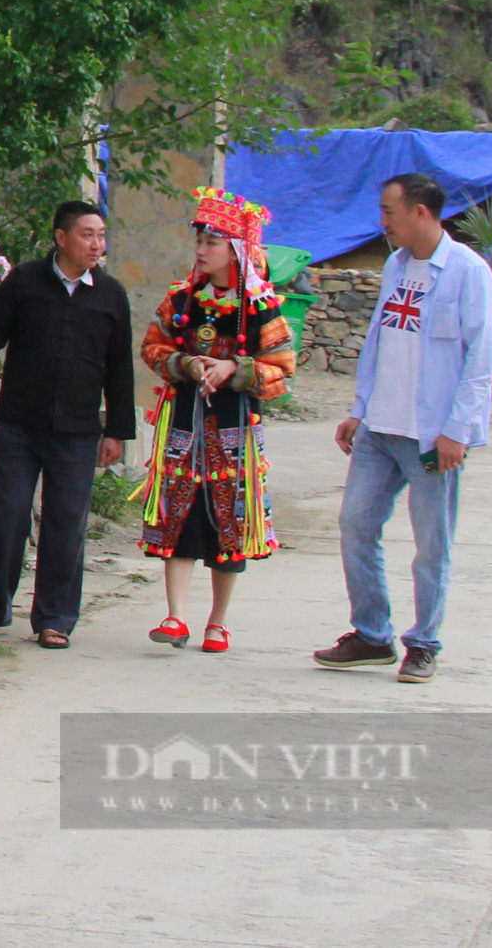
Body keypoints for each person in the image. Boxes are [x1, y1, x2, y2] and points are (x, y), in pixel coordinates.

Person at [314, 172, 492, 684]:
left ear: (421, 212)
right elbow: (381, 342)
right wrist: (359, 407)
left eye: (389, 212)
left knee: (431, 542)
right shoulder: (396, 266)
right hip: (379, 428)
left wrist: (458, 430)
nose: (382, 223)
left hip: (431, 434)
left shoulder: (467, 271)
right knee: (356, 525)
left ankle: (424, 642)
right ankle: (372, 635)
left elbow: (479, 360)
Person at [0, 201, 133, 649]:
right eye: (87, 235)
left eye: (101, 235)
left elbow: (119, 368)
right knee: (6, 515)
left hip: (78, 433)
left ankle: (55, 618)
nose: (96, 244)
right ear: (61, 238)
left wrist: (117, 430)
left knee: (66, 525)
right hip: (21, 426)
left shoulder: (111, 294)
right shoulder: (24, 280)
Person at [135, 188, 294, 654]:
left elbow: (282, 369)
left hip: (234, 430)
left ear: (235, 250)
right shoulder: (183, 300)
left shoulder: (262, 306)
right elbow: (152, 348)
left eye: (211, 243)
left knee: (230, 520)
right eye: (199, 242)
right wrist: (186, 364)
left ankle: (217, 623)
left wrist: (234, 370)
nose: (201, 251)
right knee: (178, 514)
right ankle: (175, 616)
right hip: (184, 424)